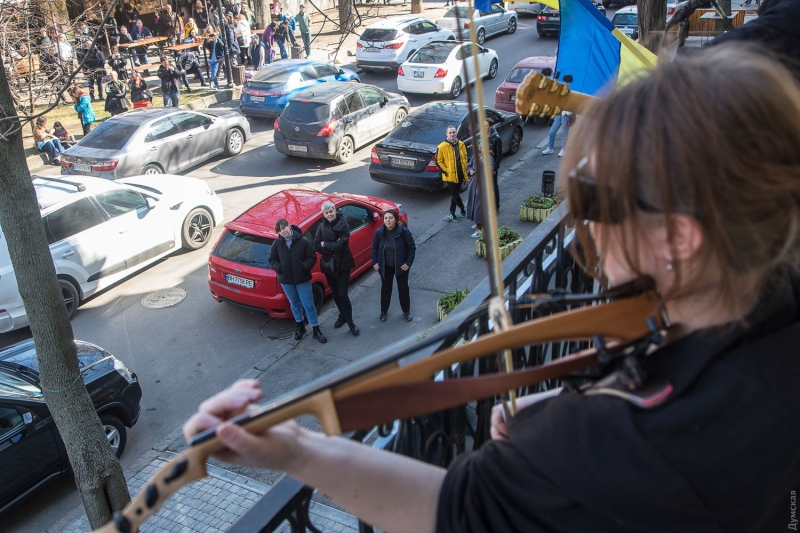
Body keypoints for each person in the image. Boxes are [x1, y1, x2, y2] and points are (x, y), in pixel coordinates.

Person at [184, 46, 800, 533]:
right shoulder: (774, 306)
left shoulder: (621, 440)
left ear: (678, 240)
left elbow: (451, 509)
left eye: (589, 195)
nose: (576, 214)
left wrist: (296, 450)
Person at [268, 218, 327, 344]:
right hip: (286, 280)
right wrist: (279, 268)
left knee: (309, 305)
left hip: (302, 278)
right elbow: (272, 260)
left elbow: (312, 257)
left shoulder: (303, 241)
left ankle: (316, 329)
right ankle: (300, 327)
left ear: (289, 226)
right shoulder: (277, 244)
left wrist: (303, 267)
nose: (283, 231)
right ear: (278, 232)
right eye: (280, 230)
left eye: (284, 228)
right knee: (294, 304)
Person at [314, 202, 359, 336]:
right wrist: (333, 245)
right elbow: (316, 245)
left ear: (335, 210)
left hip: (343, 263)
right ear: (323, 214)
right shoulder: (321, 226)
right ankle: (342, 315)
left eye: (331, 211)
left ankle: (351, 322)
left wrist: (326, 244)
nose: (329, 214)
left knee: (343, 294)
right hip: (329, 265)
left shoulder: (343, 223)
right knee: (335, 293)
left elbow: (342, 243)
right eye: (326, 212)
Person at [371, 209, 416, 322]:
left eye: (390, 218)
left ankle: (406, 311)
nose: (388, 220)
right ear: (383, 220)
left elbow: (411, 248)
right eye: (386, 218)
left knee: (403, 289)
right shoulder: (379, 232)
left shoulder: (404, 232)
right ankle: (383, 311)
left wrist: (408, 263)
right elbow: (374, 248)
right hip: (385, 267)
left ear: (396, 219)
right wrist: (375, 262)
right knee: (386, 289)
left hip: (401, 266)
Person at [436, 125, 468, 222]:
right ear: (447, 134)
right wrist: (446, 171)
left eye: (453, 132)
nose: (452, 134)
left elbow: (465, 157)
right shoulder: (441, 147)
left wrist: (466, 167)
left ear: (456, 133)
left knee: (455, 195)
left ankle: (451, 213)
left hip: (460, 174)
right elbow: (438, 161)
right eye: (450, 133)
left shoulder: (461, 144)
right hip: (449, 176)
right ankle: (462, 208)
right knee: (455, 194)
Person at [466, 143, 493, 238]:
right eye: (480, 147)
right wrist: (470, 171)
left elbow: (490, 170)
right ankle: (478, 223)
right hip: (474, 184)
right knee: (473, 205)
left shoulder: (489, 158)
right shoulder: (475, 156)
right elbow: (468, 166)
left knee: (479, 207)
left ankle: (480, 229)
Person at [485, 120, 502, 211]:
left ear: (491, 126)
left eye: (486, 126)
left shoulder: (496, 138)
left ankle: (496, 207)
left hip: (491, 166)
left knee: (493, 187)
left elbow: (499, 155)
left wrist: (494, 168)